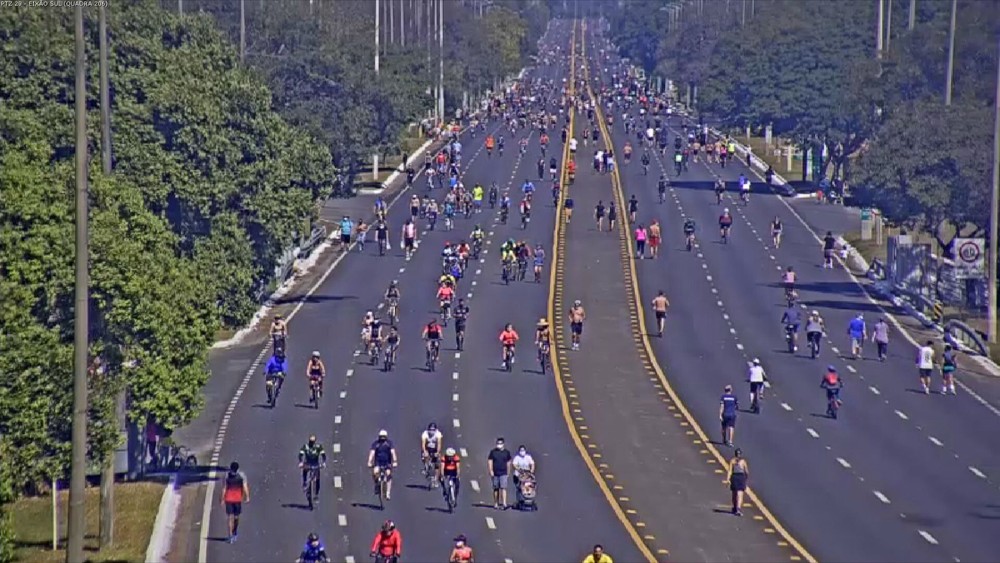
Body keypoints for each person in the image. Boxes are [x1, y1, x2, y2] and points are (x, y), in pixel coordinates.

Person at [220, 461, 250, 544]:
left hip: (229, 499)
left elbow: (224, 488)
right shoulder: (241, 475)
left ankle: (231, 536)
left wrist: (222, 499)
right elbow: (245, 486)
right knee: (235, 517)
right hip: (237, 499)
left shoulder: (226, 476)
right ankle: (234, 532)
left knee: (231, 518)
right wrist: (247, 497)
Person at [368, 430, 398, 499]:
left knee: (388, 474)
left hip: (387, 462)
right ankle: (376, 484)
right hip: (378, 462)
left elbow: (393, 452)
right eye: (381, 437)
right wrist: (369, 461)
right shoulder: (375, 444)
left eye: (383, 437)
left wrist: (395, 461)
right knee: (375, 472)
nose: (382, 439)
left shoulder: (389, 444)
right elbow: (372, 453)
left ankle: (388, 493)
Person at [487, 437, 512, 510]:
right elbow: (490, 461)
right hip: (495, 473)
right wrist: (491, 470)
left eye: (500, 443)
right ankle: (496, 503)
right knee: (496, 488)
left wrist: (508, 471)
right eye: (498, 443)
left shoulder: (506, 452)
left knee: (503, 488)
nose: (499, 445)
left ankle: (504, 503)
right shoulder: (493, 452)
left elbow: (508, 462)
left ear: (503, 444)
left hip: (503, 472)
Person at [728, 449, 749, 516]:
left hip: (734, 477)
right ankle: (738, 509)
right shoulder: (743, 461)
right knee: (740, 494)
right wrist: (745, 478)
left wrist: (728, 478)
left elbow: (730, 470)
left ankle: (734, 507)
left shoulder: (732, 461)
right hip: (741, 477)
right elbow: (746, 471)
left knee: (734, 493)